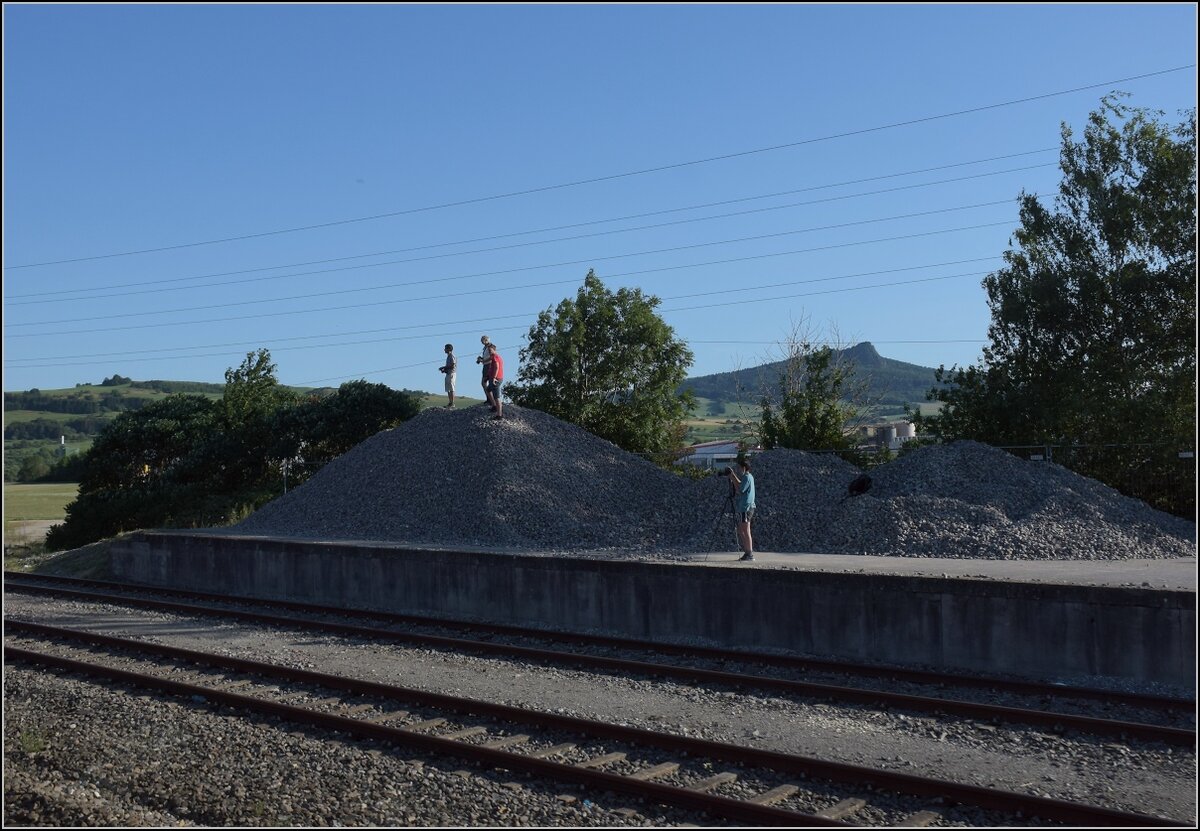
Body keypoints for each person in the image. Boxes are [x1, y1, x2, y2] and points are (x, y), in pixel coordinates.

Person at [727, 458, 755, 561]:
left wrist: (733, 478)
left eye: (739, 467)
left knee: (745, 530)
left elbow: (740, 490)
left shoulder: (747, 477)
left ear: (744, 467)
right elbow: (741, 484)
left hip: (745, 507)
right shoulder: (748, 477)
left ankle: (749, 553)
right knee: (741, 529)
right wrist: (733, 476)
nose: (738, 469)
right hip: (747, 506)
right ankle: (748, 552)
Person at [483, 342, 504, 420]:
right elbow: (486, 362)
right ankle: (494, 406)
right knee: (488, 390)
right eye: (488, 350)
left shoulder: (495, 357)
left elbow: (496, 368)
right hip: (492, 377)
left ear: (494, 350)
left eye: (490, 350)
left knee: (497, 397)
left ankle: (499, 415)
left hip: (496, 379)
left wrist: (494, 378)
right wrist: (488, 376)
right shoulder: (492, 356)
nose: (489, 352)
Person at [475, 335, 492, 406]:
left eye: (483, 340)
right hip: (485, 365)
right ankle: (489, 398)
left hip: (489, 366)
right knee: (484, 383)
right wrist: (481, 359)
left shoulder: (491, 347)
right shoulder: (485, 348)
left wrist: (483, 360)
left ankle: (490, 399)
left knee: (485, 383)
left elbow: (492, 357)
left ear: (486, 340)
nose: (482, 342)